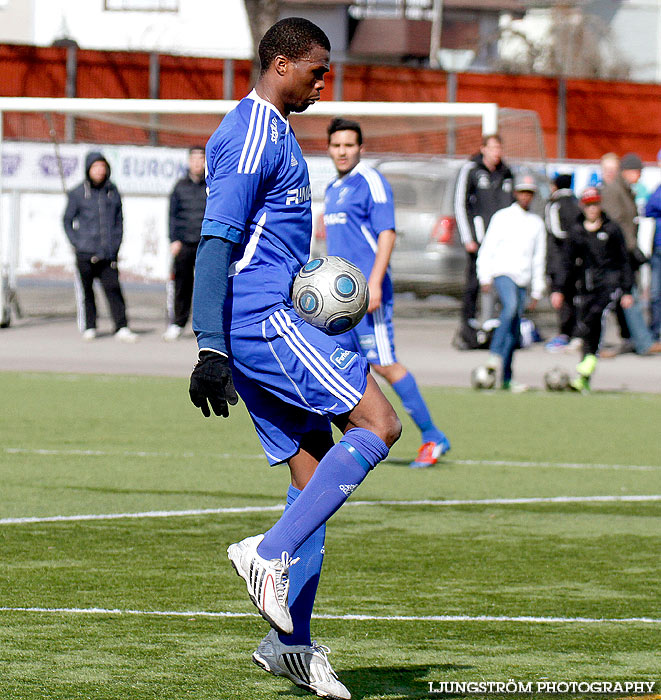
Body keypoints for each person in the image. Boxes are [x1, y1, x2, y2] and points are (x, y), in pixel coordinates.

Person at [187, 18, 401, 700]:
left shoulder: (278, 131)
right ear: (281, 64)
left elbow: (262, 241)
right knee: (379, 425)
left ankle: (289, 645)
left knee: (311, 481)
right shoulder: (249, 132)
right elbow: (215, 244)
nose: (323, 79)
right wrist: (210, 346)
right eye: (316, 68)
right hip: (258, 323)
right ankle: (266, 553)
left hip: (273, 316)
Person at [323, 117, 450, 468]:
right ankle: (355, 435)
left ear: (360, 148)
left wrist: (375, 282)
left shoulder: (370, 181)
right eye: (336, 145)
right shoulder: (335, 188)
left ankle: (432, 436)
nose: (343, 151)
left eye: (349, 145)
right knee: (345, 364)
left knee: (383, 362)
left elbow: (387, 234)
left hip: (367, 294)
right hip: (339, 299)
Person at [551, 187, 634, 392]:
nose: (592, 209)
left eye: (595, 204)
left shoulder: (611, 229)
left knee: (596, 318)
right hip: (586, 286)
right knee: (586, 325)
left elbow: (624, 260)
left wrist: (626, 289)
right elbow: (567, 262)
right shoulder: (577, 231)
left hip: (609, 285)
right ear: (583, 206)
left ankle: (587, 364)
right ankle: (585, 375)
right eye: (588, 205)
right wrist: (559, 289)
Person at [476, 174, 546, 392]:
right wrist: (484, 275)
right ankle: (494, 355)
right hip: (503, 272)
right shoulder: (502, 217)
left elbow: (538, 257)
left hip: (523, 279)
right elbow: (488, 246)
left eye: (529, 193)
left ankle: (506, 376)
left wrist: (537, 289)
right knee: (510, 308)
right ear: (516, 193)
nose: (525, 196)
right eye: (522, 192)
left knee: (515, 328)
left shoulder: (536, 223)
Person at [63, 151, 137, 342]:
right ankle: (90, 325)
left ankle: (121, 326)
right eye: (96, 167)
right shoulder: (78, 193)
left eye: (102, 167)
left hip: (107, 253)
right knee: (87, 291)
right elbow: (67, 221)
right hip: (85, 252)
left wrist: (115, 244)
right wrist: (78, 243)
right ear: (88, 169)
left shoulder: (112, 191)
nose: (99, 171)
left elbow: (119, 221)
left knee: (113, 289)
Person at [454, 133, 514, 343]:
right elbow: (461, 204)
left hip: (502, 241)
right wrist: (468, 237)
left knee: (502, 281)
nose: (497, 153)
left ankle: (496, 325)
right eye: (493, 148)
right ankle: (469, 325)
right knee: (474, 283)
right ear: (483, 149)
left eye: (499, 148)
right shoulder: (471, 170)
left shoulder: (506, 173)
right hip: (479, 240)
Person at [601, 152, 661, 356]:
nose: (641, 176)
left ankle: (632, 339)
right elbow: (616, 226)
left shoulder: (626, 190)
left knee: (624, 299)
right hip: (617, 255)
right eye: (639, 171)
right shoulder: (614, 191)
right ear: (628, 171)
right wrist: (631, 248)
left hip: (625, 253)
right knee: (624, 297)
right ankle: (642, 342)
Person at [163, 146, 207, 341]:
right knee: (182, 285)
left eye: (201, 159)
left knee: (207, 285)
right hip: (184, 244)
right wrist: (174, 240)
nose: (198, 163)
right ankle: (178, 323)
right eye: (194, 159)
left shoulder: (212, 185)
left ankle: (206, 326)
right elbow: (172, 215)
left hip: (206, 244)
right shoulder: (179, 186)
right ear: (189, 162)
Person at [544, 173, 581, 352]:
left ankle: (565, 333)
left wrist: (568, 243)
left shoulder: (555, 204)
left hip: (559, 259)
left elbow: (556, 231)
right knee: (574, 296)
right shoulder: (576, 203)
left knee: (560, 296)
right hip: (576, 259)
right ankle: (575, 333)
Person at [644, 148, 661, 342]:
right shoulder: (657, 189)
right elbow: (649, 207)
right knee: (655, 292)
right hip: (657, 247)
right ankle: (656, 331)